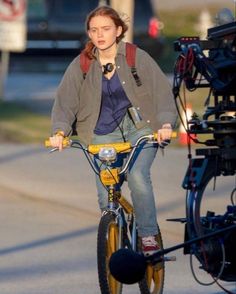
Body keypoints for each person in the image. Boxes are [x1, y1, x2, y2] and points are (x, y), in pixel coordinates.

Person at [49, 5, 177, 256]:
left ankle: (148, 234)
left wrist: (164, 125)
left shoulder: (135, 57)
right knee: (106, 193)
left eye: (106, 29)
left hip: (140, 128)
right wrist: (60, 131)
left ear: (118, 30)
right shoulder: (83, 63)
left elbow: (162, 94)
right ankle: (114, 236)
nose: (100, 35)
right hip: (100, 131)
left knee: (138, 176)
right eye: (94, 30)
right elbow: (66, 102)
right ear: (89, 33)